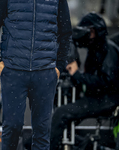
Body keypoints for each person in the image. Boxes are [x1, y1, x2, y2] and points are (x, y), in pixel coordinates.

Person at [0, 0, 72, 149]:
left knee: (42, 132)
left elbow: (66, 32)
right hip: (14, 72)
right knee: (12, 127)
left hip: (44, 73)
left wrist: (58, 67)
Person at [50, 12, 119, 149]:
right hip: (96, 97)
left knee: (61, 114)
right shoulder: (95, 50)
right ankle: (78, 144)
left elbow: (104, 82)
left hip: (106, 99)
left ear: (95, 31)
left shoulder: (108, 50)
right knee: (62, 111)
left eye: (89, 31)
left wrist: (76, 74)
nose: (86, 35)